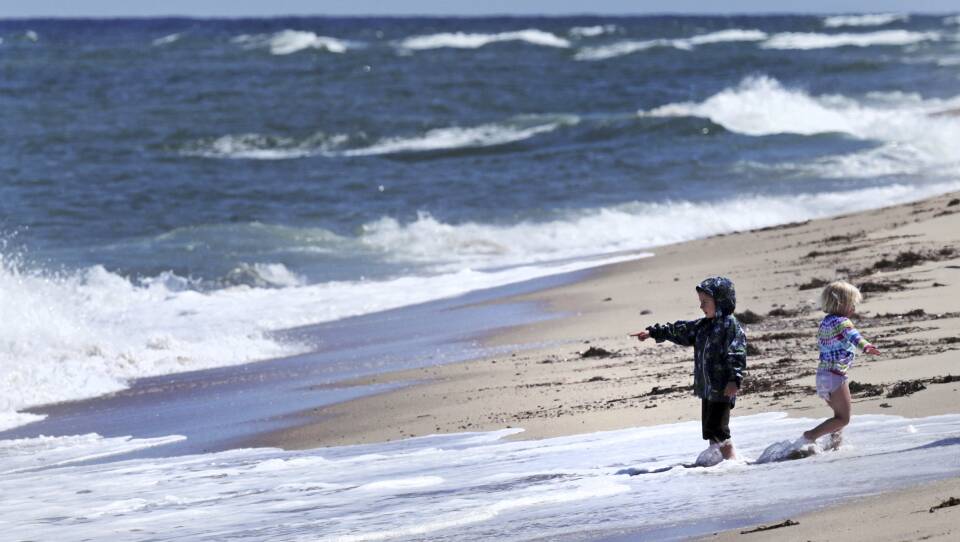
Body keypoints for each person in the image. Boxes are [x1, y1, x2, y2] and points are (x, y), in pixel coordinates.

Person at [632, 277, 747, 463]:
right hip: (707, 388)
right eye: (700, 302)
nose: (701, 306)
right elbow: (680, 330)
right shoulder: (703, 326)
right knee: (709, 430)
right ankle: (717, 464)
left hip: (723, 387)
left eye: (705, 302)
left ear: (721, 301)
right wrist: (653, 333)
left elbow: (737, 352)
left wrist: (735, 379)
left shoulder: (729, 325)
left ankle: (733, 464)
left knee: (719, 428)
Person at [801, 280, 880, 448]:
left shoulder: (825, 322)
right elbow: (853, 335)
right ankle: (810, 436)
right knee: (844, 418)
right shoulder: (842, 322)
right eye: (852, 304)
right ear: (841, 303)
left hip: (823, 377)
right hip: (835, 376)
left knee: (838, 417)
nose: (854, 308)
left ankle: (835, 446)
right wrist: (866, 347)